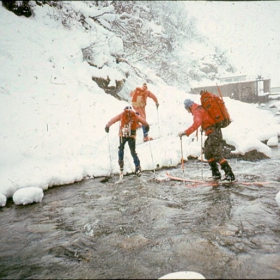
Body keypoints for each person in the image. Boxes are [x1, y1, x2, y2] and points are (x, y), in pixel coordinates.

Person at [178, 98, 235, 181]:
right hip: (213, 132)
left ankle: (230, 174)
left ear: (189, 107)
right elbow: (207, 119)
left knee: (217, 154)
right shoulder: (200, 108)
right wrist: (205, 127)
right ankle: (216, 173)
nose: (188, 111)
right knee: (208, 153)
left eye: (187, 109)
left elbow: (196, 123)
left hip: (214, 133)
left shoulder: (197, 111)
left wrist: (185, 132)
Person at [105, 106, 150, 176]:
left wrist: (107, 126)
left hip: (123, 135)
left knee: (121, 148)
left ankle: (121, 164)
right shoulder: (135, 115)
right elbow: (143, 121)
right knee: (133, 151)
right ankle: (137, 166)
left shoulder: (122, 114)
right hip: (131, 135)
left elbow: (113, 120)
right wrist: (147, 126)